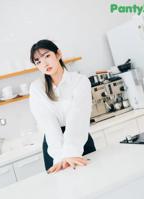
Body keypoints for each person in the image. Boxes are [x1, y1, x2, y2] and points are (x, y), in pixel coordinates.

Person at [29, 39, 96, 174]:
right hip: (53, 147)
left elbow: (77, 116)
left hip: (79, 138)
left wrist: (71, 152)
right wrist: (60, 156)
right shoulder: (37, 88)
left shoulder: (79, 81)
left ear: (58, 54)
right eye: (38, 61)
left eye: (47, 56)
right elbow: (48, 123)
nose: (44, 64)